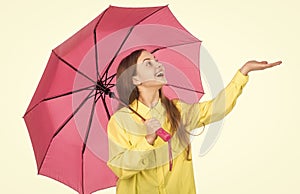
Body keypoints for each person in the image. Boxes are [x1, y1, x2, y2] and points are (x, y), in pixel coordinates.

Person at [106, 49, 282, 194]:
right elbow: (120, 168)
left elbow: (217, 108)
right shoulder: (120, 121)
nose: (158, 64)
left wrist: (243, 72)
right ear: (136, 80)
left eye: (156, 60)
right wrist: (147, 140)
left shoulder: (178, 111)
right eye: (148, 63)